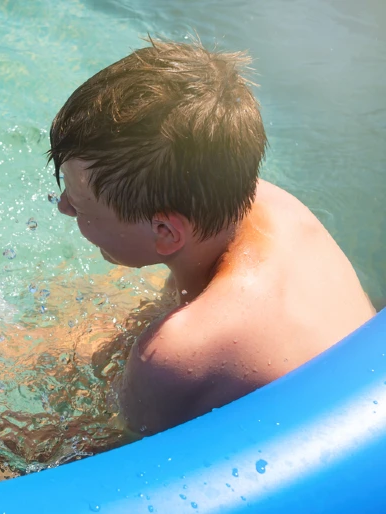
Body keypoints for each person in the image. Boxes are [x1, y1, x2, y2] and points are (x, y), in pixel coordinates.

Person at [48, 37, 376, 436]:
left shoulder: (176, 354)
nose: (64, 206)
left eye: (80, 206)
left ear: (166, 232)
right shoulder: (272, 204)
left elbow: (109, 459)